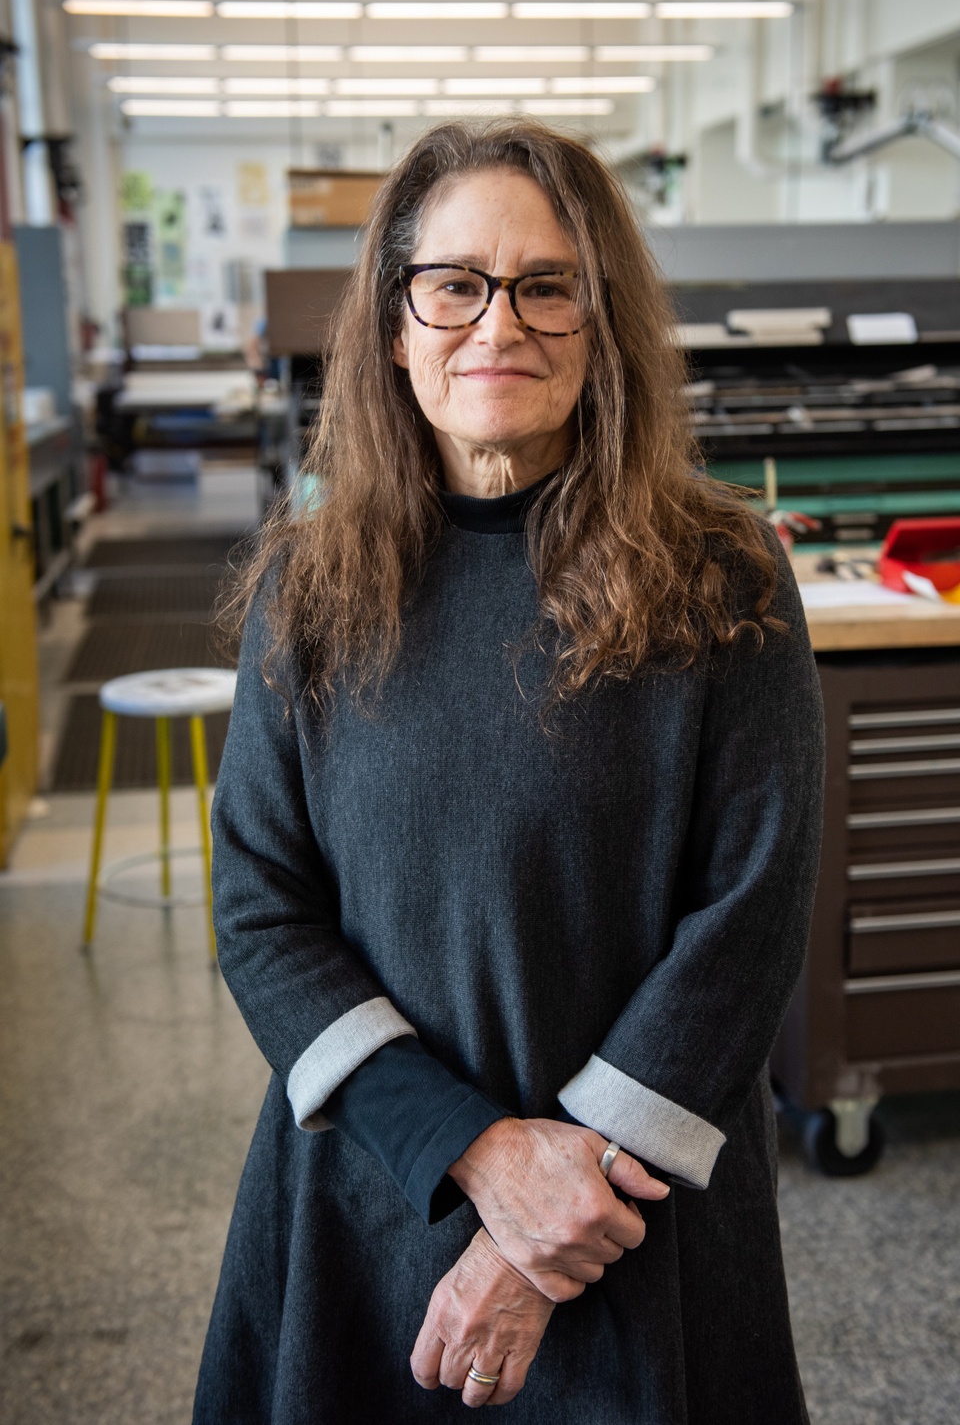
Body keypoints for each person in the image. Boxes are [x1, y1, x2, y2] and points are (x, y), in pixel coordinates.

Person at [194, 119, 823, 1424]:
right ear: (394, 326)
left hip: (636, 1220)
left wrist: (556, 1210)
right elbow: (262, 912)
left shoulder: (724, 573)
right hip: (371, 1196)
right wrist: (475, 1155)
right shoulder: (308, 590)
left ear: (603, 327)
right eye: (456, 284)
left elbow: (748, 921)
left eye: (549, 285)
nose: (501, 322)